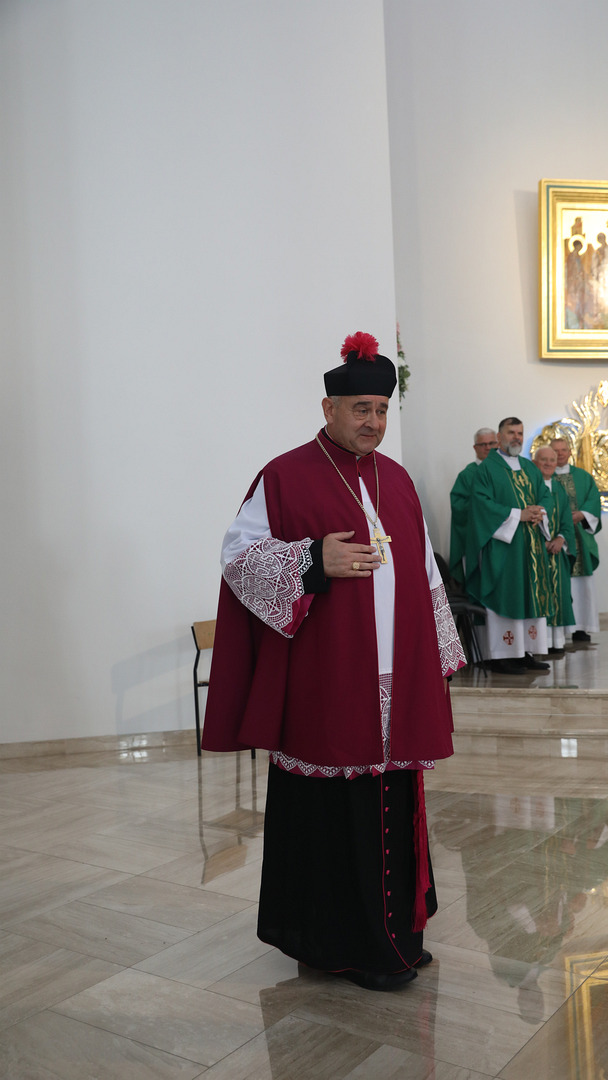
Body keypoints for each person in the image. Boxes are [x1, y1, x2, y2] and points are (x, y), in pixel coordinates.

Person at [201, 331, 466, 992]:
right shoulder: (285, 475)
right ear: (329, 409)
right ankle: (338, 946)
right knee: (332, 817)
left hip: (396, 678)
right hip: (327, 676)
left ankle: (397, 936)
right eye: (360, 410)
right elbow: (239, 559)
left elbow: (426, 575)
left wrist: (438, 658)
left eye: (381, 410)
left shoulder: (398, 480)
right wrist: (312, 561)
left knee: (394, 806)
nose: (372, 422)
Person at [462, 417, 554, 675]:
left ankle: (525, 652)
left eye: (520, 433)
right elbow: (481, 505)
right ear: (499, 437)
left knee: (529, 595)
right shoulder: (487, 469)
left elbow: (544, 495)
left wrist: (539, 511)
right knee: (506, 594)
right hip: (503, 548)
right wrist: (517, 515)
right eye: (511, 432)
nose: (517, 437)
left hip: (531, 545)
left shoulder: (529, 467)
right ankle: (502, 655)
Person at [550, 437, 602, 643]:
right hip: (555, 537)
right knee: (558, 581)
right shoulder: (543, 477)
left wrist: (582, 514)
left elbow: (594, 500)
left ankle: (581, 627)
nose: (560, 454)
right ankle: (560, 630)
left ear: (570, 452)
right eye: (556, 451)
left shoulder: (583, 477)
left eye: (563, 450)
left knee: (581, 585)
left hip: (579, 536)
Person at [533, 446, 576, 656]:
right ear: (535, 462)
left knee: (558, 595)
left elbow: (567, 520)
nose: (549, 463)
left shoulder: (559, 489)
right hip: (535, 553)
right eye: (544, 460)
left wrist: (560, 539)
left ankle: (556, 642)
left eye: (552, 460)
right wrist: (541, 541)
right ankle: (539, 643)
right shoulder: (531, 486)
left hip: (556, 553)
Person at [449, 428, 498, 586]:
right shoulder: (467, 475)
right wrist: (485, 510)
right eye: (483, 444)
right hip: (479, 538)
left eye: (492, 443)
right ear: (475, 448)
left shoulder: (504, 473)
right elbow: (458, 506)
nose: (488, 447)